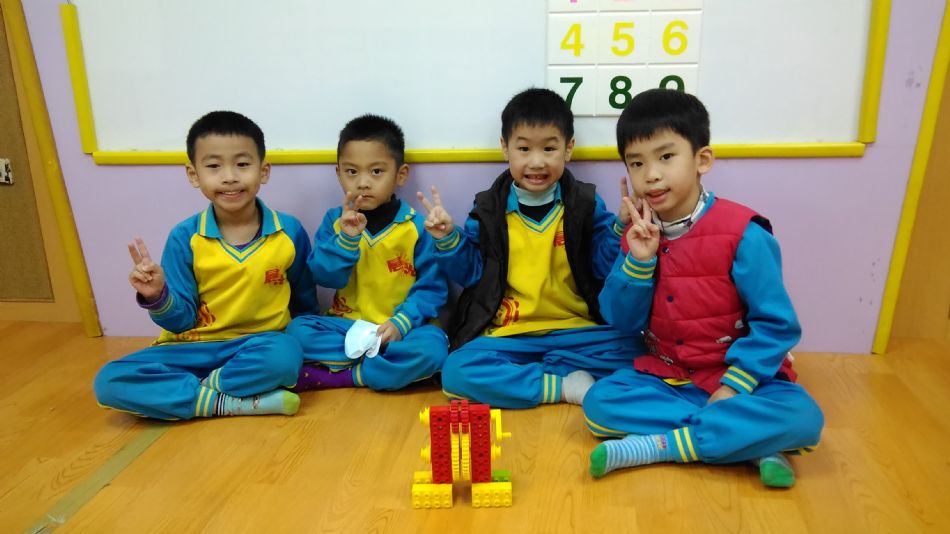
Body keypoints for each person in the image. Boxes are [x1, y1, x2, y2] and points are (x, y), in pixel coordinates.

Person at [583, 88, 824, 487]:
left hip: (739, 379)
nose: (651, 175)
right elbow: (622, 321)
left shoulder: (745, 233)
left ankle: (659, 446)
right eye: (636, 163)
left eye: (666, 157)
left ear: (702, 160)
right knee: (599, 404)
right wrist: (639, 262)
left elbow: (776, 326)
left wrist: (733, 387)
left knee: (805, 419)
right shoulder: (637, 234)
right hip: (669, 377)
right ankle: (748, 440)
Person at [417, 88, 644, 409]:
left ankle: (539, 372)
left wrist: (620, 227)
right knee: (456, 372)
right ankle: (561, 385)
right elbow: (473, 274)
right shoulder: (488, 209)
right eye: (523, 149)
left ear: (568, 149)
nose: (536, 162)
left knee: (642, 355)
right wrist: (446, 238)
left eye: (549, 148)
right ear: (505, 148)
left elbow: (602, 268)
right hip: (511, 335)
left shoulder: (585, 204)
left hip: (578, 330)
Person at [94, 111, 317, 420]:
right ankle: (226, 401)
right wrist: (157, 295)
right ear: (193, 174)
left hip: (259, 346)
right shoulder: (185, 237)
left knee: (284, 356)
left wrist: (306, 343)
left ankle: (192, 394)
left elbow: (304, 303)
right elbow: (180, 321)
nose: (229, 176)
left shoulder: (288, 232)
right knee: (108, 381)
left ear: (263, 171)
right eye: (214, 166)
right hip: (191, 349)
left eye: (242, 164)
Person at [286, 115, 448, 391]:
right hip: (347, 327)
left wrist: (401, 322)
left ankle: (349, 375)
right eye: (352, 172)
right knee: (296, 332)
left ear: (400, 175)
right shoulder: (334, 221)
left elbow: (432, 289)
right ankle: (381, 369)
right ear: (338, 173)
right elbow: (324, 277)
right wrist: (347, 240)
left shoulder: (417, 227)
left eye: (376, 172)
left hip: (401, 329)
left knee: (434, 348)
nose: (363, 182)